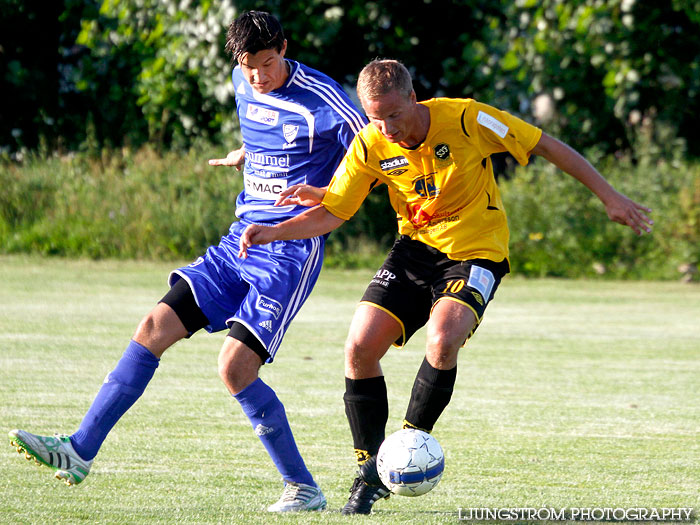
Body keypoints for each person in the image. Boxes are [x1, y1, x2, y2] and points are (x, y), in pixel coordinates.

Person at [238, 59, 654, 514]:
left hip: (476, 251)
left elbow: (545, 145)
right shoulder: (370, 143)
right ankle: (370, 470)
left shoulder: (467, 118)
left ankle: (410, 447)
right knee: (359, 347)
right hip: (414, 251)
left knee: (442, 338)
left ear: (413, 98)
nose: (386, 127)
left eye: (394, 115)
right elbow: (335, 211)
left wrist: (610, 197)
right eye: (375, 117)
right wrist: (274, 231)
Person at [9, 11, 366, 513]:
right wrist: (249, 154)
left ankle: (303, 487)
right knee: (154, 324)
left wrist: (326, 191)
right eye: (249, 66)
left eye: (267, 64)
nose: (258, 77)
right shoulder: (243, 82)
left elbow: (376, 161)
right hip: (238, 239)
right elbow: (276, 135)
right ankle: (79, 450)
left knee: (235, 369)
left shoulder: (326, 101)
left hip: (289, 250)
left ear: (285, 48)